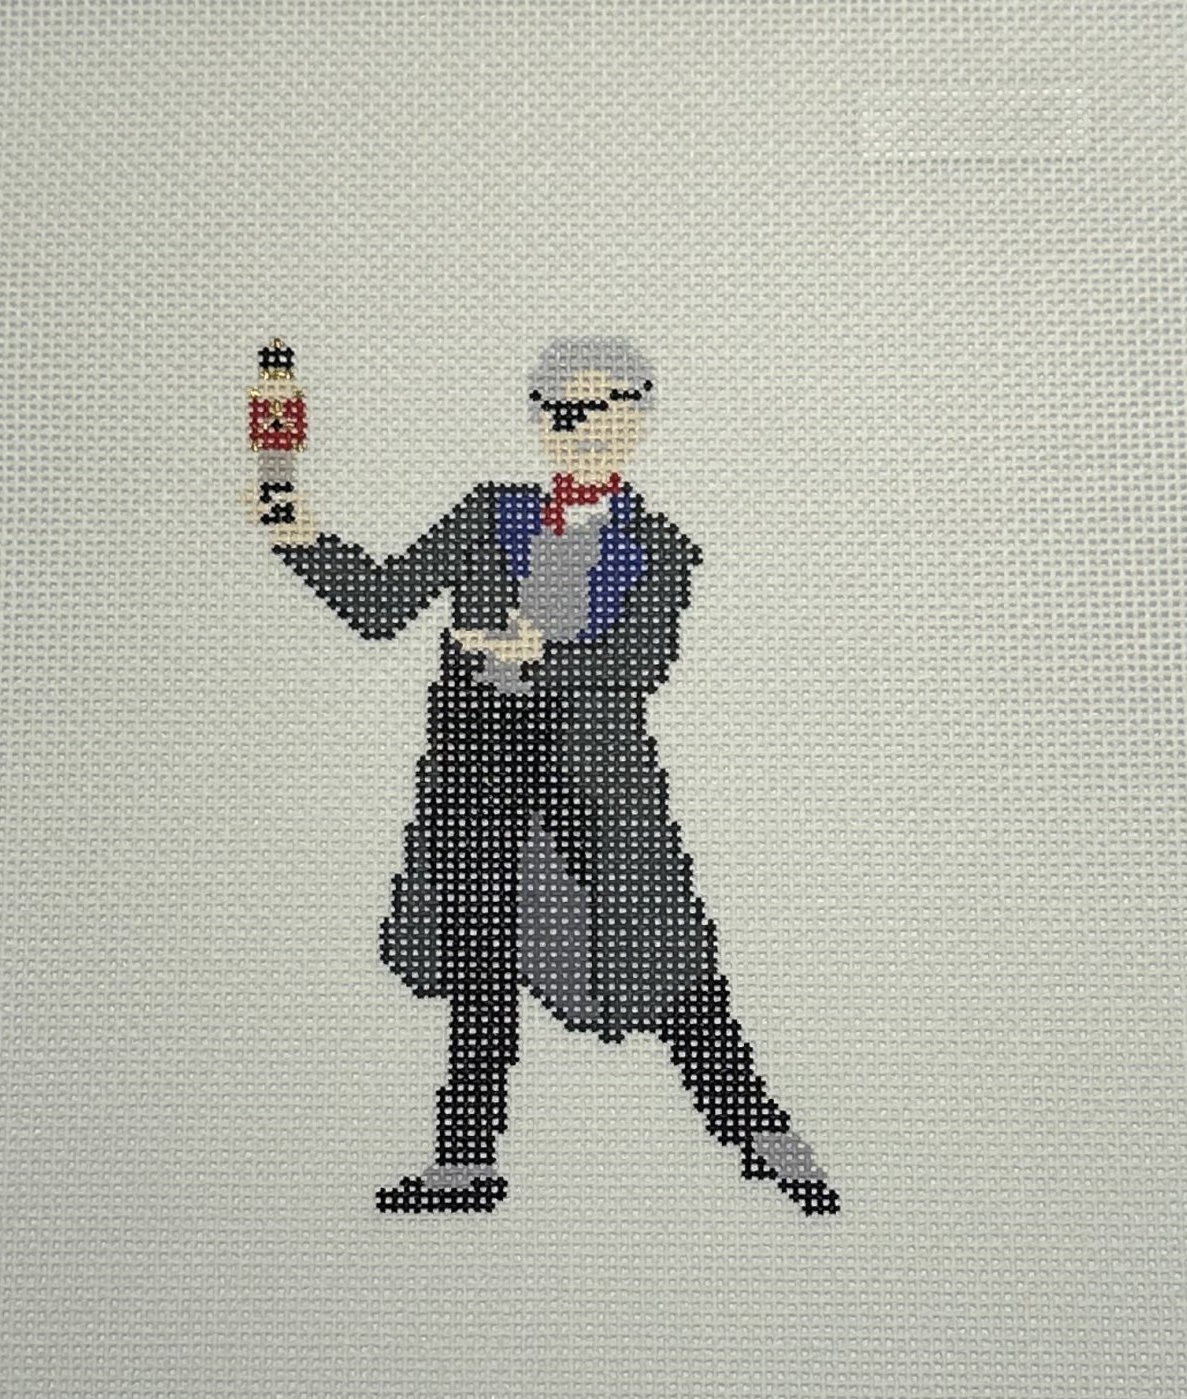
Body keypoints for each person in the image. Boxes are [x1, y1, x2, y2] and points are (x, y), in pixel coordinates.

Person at [250, 336, 839, 1217]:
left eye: (605, 411)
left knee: (667, 960)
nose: (583, 431)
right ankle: (464, 1164)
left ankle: (759, 1132)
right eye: (564, 413)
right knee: (478, 965)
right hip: (480, 773)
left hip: (593, 785)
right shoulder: (487, 514)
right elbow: (380, 606)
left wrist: (540, 654)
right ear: (537, 421)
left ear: (639, 419)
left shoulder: (660, 549)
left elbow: (640, 662)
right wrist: (299, 535)